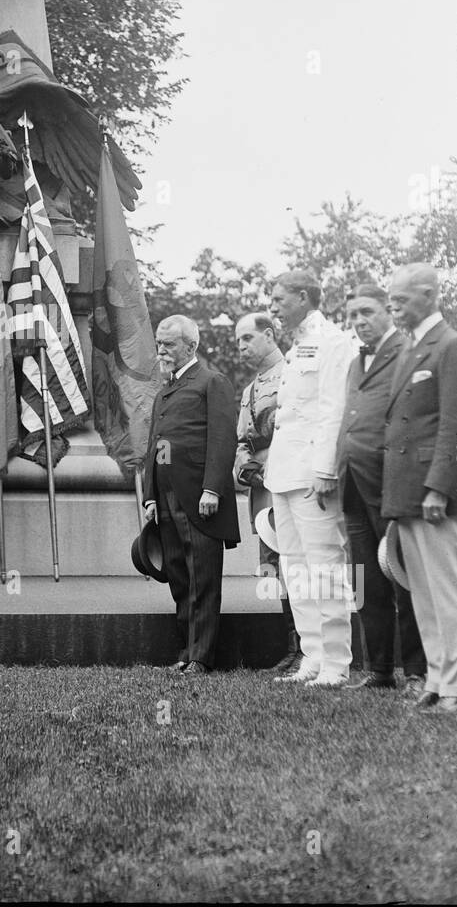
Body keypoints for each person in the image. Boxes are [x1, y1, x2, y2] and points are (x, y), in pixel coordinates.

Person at [382, 263, 457, 718]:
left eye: (400, 298)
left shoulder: (452, 346)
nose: (392, 305)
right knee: (422, 591)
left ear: (428, 295)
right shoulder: (412, 347)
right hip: (406, 492)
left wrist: (440, 487)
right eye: (391, 298)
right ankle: (438, 679)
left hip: (434, 493)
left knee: (448, 590)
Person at [264, 270, 356, 687]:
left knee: (325, 570)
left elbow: (333, 410)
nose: (273, 306)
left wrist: (325, 470)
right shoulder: (297, 346)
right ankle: (312, 658)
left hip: (312, 475)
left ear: (304, 297)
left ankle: (336, 664)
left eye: (279, 299)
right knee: (296, 571)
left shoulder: (334, 342)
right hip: (283, 474)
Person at [336, 283, 426, 695]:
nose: (359, 322)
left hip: (392, 486)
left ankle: (418, 673)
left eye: (367, 312)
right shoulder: (356, 361)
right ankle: (380, 671)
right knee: (366, 582)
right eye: (353, 315)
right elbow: (350, 418)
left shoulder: (408, 353)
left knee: (403, 578)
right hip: (354, 484)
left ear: (388, 311)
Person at [142, 315, 240, 677]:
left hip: (200, 500)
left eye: (169, 343)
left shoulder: (212, 382)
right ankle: (186, 650)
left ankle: (201, 657)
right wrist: (150, 495)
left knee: (202, 579)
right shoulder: (163, 391)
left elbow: (222, 439)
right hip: (165, 501)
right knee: (179, 577)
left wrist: (212, 488)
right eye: (159, 342)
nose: (161, 349)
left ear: (191, 346)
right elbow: (154, 445)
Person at [233, 311, 297, 674]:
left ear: (269, 335)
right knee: (276, 570)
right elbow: (242, 439)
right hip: (262, 490)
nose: (241, 347)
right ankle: (291, 647)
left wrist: (270, 463)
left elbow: (293, 430)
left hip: (286, 483)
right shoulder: (250, 388)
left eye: (247, 339)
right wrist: (245, 466)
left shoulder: (292, 375)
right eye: (238, 341)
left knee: (298, 567)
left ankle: (308, 648)